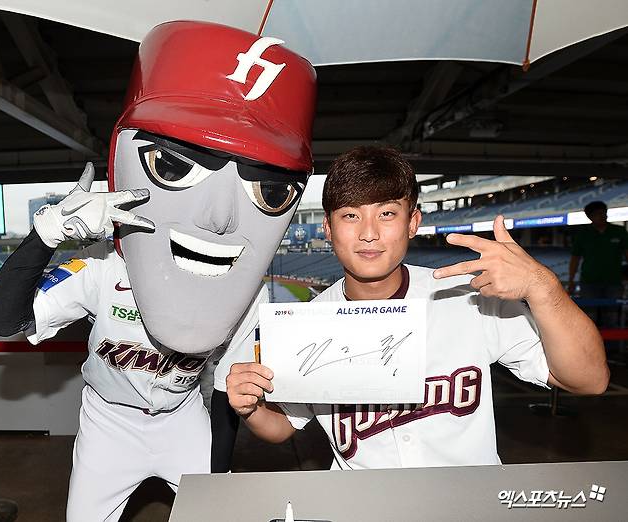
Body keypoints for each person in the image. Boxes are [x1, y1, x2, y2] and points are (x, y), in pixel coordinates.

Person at [0, 21, 316, 520]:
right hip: (108, 422)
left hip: (180, 417)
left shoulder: (244, 290)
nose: (218, 217)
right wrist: (44, 236)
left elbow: (224, 389)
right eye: (173, 166)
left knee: (215, 516)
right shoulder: (103, 267)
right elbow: (1, 321)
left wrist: (217, 478)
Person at [226, 146, 609, 470]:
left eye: (387, 213)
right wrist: (250, 407)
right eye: (350, 215)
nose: (369, 233)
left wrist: (544, 287)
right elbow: (283, 426)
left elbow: (588, 380)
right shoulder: (309, 324)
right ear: (327, 227)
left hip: (469, 503)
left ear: (413, 222)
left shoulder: (468, 297)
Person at [568, 200, 628, 327]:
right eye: (598, 214)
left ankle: (611, 341)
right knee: (589, 320)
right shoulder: (583, 234)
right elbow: (575, 258)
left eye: (604, 212)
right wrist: (571, 280)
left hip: (614, 282)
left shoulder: (620, 231)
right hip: (589, 282)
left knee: (612, 319)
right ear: (590, 217)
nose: (602, 216)